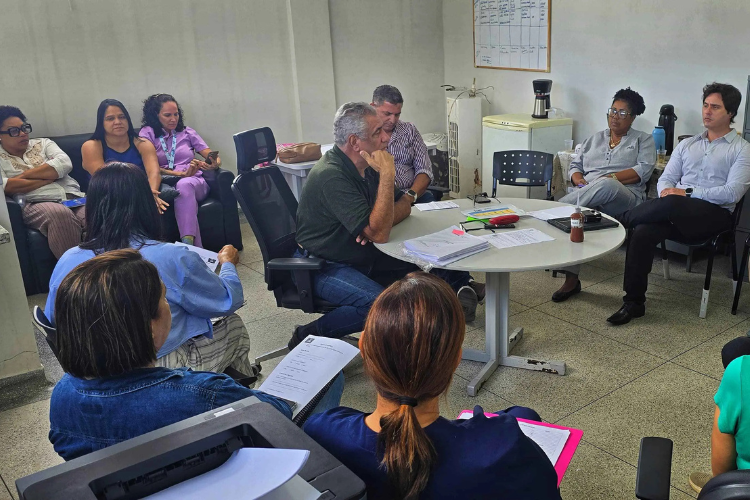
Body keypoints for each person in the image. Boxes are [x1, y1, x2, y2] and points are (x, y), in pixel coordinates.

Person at [48, 249, 343, 461]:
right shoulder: (202, 393)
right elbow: (277, 415)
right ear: (148, 328)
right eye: (164, 298)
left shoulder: (62, 396)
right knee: (331, 376)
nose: (168, 306)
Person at [304, 272, 560, 500]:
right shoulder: (504, 450)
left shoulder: (320, 431)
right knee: (525, 415)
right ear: (456, 360)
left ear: (363, 350)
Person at [292, 102, 484, 349]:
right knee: (379, 305)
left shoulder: (367, 164)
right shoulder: (332, 175)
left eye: (384, 131)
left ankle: (444, 306)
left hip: (362, 253)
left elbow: (401, 207)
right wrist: (386, 183)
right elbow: (381, 232)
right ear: (354, 142)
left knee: (427, 270)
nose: (385, 138)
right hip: (323, 264)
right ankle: (309, 334)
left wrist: (376, 223)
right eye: (377, 133)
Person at [45, 163, 254, 376]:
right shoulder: (170, 257)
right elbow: (227, 300)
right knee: (232, 325)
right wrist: (228, 264)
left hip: (88, 375)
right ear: (147, 203)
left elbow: (54, 321)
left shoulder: (68, 258)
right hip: (157, 370)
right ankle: (239, 396)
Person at [607, 82, 750, 325]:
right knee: (643, 232)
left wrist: (686, 193)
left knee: (674, 201)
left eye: (715, 107)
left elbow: (732, 193)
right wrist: (669, 193)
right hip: (677, 212)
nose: (707, 111)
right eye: (705, 105)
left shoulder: (742, 150)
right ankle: (633, 303)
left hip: (714, 218)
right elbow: (666, 180)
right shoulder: (687, 144)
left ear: (731, 113)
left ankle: (615, 223)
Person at [552, 88, 655, 302]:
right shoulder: (595, 138)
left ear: (633, 117)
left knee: (605, 185)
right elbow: (575, 165)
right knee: (576, 215)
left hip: (625, 198)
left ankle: (551, 210)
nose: (615, 116)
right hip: (589, 194)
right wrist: (578, 179)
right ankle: (571, 280)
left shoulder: (643, 140)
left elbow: (643, 171)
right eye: (612, 111)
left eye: (622, 113)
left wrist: (609, 179)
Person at [0, 106, 86, 258]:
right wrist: (50, 175)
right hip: (33, 202)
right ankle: (75, 277)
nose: (23, 134)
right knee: (59, 214)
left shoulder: (44, 143)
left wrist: (23, 176)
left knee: (100, 211)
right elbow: (6, 186)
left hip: (72, 196)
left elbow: (65, 164)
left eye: (24, 128)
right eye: (14, 131)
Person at [140, 93, 220, 247]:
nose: (173, 119)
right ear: (155, 116)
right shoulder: (147, 133)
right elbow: (151, 167)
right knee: (183, 190)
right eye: (167, 115)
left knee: (185, 185)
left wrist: (213, 163)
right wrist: (180, 174)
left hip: (195, 181)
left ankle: (187, 245)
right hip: (167, 180)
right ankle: (195, 249)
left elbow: (210, 154)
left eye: (176, 114)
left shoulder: (187, 132)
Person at [81, 99, 169, 213]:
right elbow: (106, 180)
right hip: (107, 197)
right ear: (101, 123)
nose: (118, 122)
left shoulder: (143, 144)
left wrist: (152, 193)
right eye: (110, 118)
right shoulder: (91, 146)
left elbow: (154, 173)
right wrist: (141, 196)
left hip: (142, 193)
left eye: (122, 117)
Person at [371, 85, 435, 204]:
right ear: (373, 107)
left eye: (397, 114)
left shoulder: (409, 130)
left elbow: (425, 170)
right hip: (379, 199)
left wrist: (410, 197)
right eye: (387, 114)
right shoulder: (365, 135)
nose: (393, 120)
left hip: (412, 194)